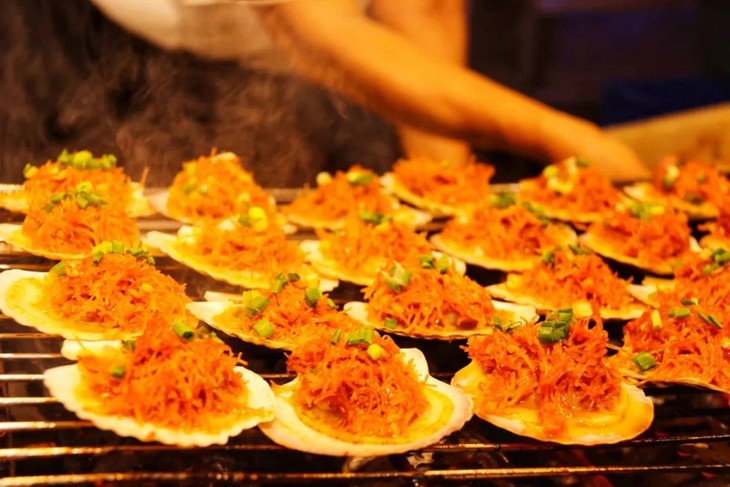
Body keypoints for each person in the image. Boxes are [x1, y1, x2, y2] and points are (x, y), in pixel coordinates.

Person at [0, 0, 649, 185]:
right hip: (99, 37)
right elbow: (317, 33)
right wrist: (563, 135)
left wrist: (443, 197)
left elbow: (423, 9)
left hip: (324, 69)